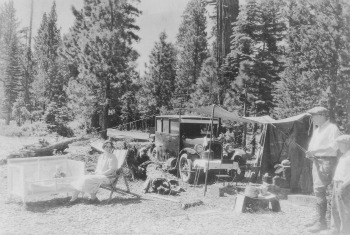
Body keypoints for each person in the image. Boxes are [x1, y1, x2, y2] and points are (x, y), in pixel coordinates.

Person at [305, 106, 341, 233]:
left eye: (313, 116)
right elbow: (314, 146)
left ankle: (326, 223)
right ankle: (320, 219)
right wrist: (311, 153)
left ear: (321, 115)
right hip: (317, 160)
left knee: (323, 191)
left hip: (327, 161)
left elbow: (335, 146)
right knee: (317, 191)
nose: (312, 118)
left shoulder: (332, 128)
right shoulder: (318, 129)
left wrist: (315, 151)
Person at [68, 140, 118, 204]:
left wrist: (100, 174)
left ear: (112, 148)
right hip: (100, 176)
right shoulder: (101, 156)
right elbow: (98, 169)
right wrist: (95, 173)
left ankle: (74, 200)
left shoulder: (113, 157)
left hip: (108, 177)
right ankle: (90, 198)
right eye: (107, 147)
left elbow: (112, 170)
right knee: (82, 177)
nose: (108, 148)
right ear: (104, 147)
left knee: (87, 179)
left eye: (110, 147)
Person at [326, 135, 350, 234]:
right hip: (336, 184)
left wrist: (344, 185)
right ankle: (335, 230)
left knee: (344, 211)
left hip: (344, 185)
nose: (338, 146)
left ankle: (345, 231)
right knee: (335, 208)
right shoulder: (343, 156)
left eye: (340, 144)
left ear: (346, 144)